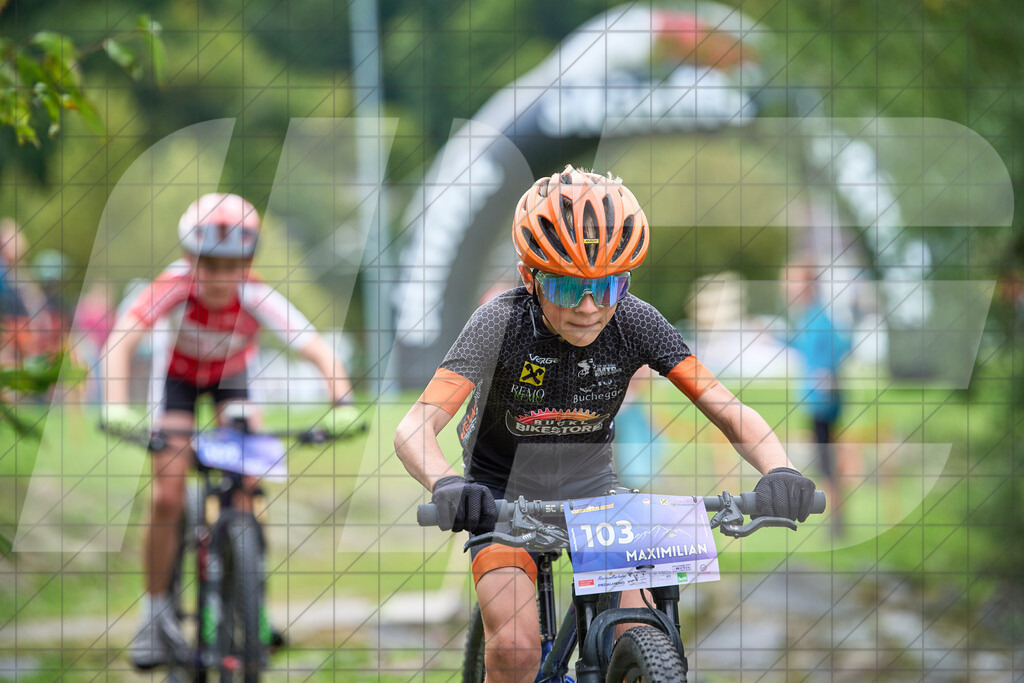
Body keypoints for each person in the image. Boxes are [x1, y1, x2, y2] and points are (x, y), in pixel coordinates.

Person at [394, 166, 818, 682]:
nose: (591, 308)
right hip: (498, 494)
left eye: (609, 285)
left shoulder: (635, 320)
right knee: (516, 649)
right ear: (530, 278)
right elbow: (416, 425)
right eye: (568, 290)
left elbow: (728, 410)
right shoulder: (499, 322)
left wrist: (781, 470)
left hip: (594, 490)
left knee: (643, 629)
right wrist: (448, 485)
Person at [101, 193, 360, 669]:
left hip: (231, 383)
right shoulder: (171, 286)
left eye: (233, 264)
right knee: (166, 494)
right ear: (189, 258)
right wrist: (115, 404)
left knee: (246, 487)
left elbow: (318, 349)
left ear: (248, 261)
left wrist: (342, 403)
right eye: (209, 263)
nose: (220, 277)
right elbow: (122, 340)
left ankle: (251, 600)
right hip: (176, 381)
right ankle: (154, 612)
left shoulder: (255, 293)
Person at [783, 260, 851, 535]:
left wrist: (827, 372)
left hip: (823, 404)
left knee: (827, 463)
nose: (788, 290)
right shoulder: (808, 317)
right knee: (824, 462)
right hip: (816, 402)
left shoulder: (819, 317)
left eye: (793, 283)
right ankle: (836, 521)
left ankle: (837, 522)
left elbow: (843, 344)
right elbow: (800, 345)